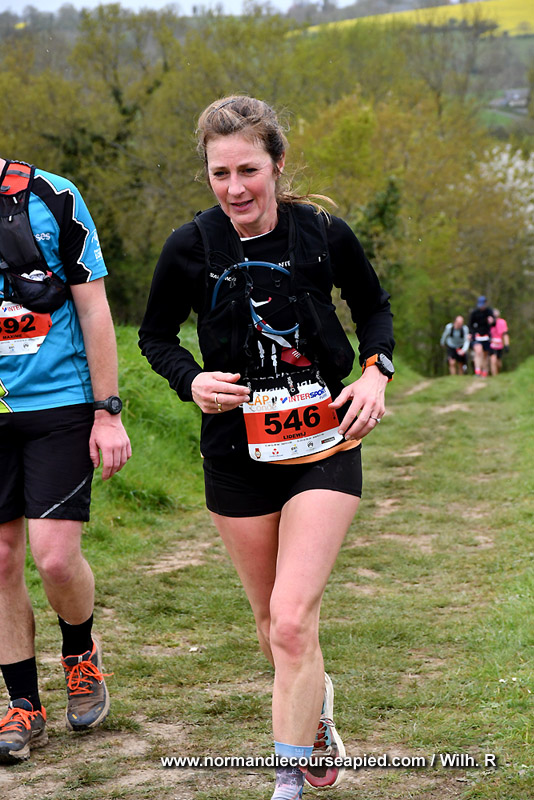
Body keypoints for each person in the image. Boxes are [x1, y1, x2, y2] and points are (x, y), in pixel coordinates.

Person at [139, 95, 394, 799]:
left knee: (290, 619)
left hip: (324, 440)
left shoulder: (322, 233)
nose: (235, 188)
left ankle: (286, 781)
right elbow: (155, 336)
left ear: (277, 164)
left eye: (248, 170)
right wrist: (190, 380)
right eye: (220, 173)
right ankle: (313, 716)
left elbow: (374, 307)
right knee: (270, 623)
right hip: (235, 452)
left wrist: (375, 372)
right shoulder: (190, 246)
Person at [0, 158, 131, 764]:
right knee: (1, 559)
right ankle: (23, 705)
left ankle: (80, 653)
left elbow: (94, 308)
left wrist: (108, 411)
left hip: (60, 403)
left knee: (54, 558)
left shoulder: (51, 195)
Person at [468, 295, 494, 377]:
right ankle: (477, 371)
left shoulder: (489, 312)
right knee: (478, 352)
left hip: (486, 336)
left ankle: (485, 371)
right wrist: (471, 333)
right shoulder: (474, 313)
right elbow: (470, 325)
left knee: (485, 354)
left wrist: (492, 321)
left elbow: (494, 324)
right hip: (477, 335)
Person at [489, 308, 510, 376]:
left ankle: (497, 374)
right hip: (491, 344)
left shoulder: (502, 322)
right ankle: (494, 375)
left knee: (498, 363)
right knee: (493, 360)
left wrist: (507, 345)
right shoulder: (489, 322)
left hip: (499, 345)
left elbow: (505, 334)